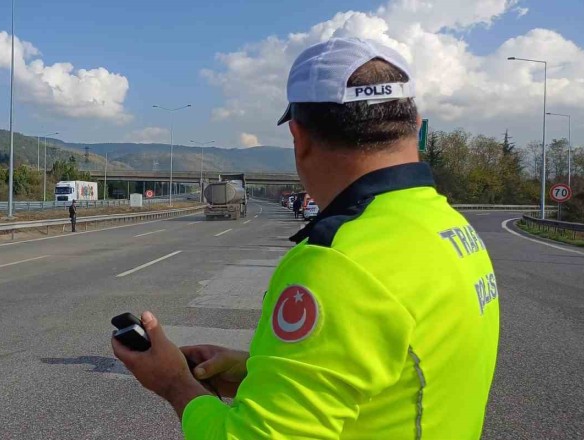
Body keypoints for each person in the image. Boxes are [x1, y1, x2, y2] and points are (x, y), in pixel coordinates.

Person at [112, 38, 500, 439]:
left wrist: (175, 383)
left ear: (300, 138)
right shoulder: (449, 226)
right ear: (415, 128)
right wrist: (258, 370)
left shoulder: (339, 262)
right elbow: (394, 366)